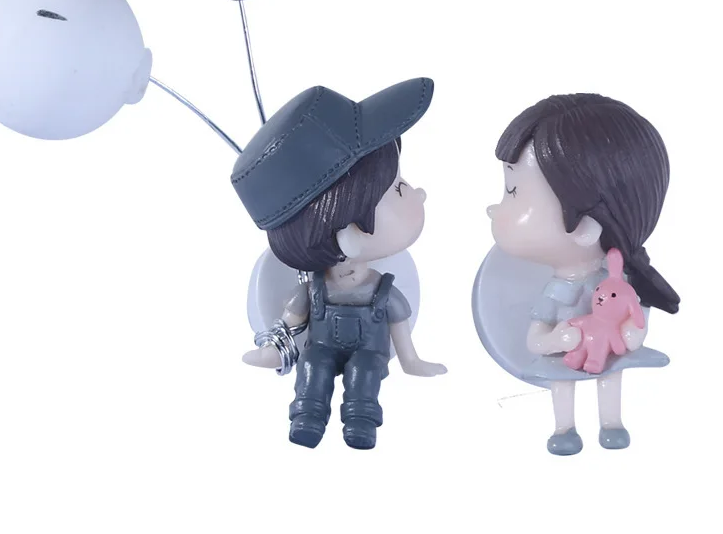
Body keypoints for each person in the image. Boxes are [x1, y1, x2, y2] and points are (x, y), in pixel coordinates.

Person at [232, 78, 447, 449]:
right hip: (320, 347)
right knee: (312, 365)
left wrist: (411, 361)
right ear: (350, 234)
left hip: (370, 353)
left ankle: (361, 421)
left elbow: (400, 330)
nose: (419, 193)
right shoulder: (312, 290)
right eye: (399, 188)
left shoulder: (383, 290)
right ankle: (307, 416)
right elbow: (290, 321)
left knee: (365, 371)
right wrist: (274, 351)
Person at [473, 93, 679, 455]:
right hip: (566, 356)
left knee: (611, 375)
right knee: (563, 385)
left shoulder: (620, 282)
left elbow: (635, 319)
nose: (493, 208)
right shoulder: (558, 291)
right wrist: (557, 340)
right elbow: (536, 340)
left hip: (608, 352)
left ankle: (611, 422)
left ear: (584, 227)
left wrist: (631, 334)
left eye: (513, 192)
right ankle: (564, 428)